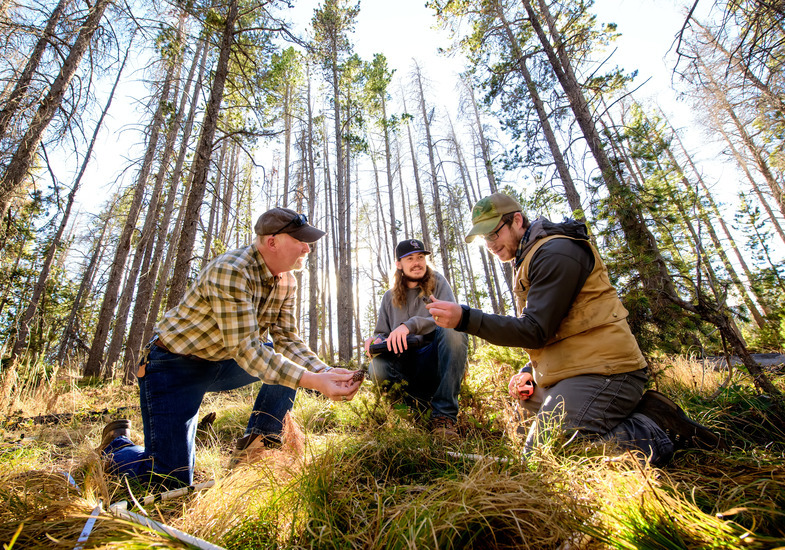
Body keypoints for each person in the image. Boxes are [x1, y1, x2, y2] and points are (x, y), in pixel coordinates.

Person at [426, 193, 721, 464]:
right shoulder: (528, 258)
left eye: (494, 233)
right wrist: (530, 371)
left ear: (517, 220)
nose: (490, 244)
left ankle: (653, 429)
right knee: (527, 421)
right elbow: (560, 329)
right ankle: (638, 415)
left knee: (547, 455)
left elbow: (535, 330)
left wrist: (465, 318)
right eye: (484, 239)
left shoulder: (555, 252)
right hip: (578, 370)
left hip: (608, 371)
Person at [98, 207, 362, 487]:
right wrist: (314, 381)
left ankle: (256, 447)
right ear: (272, 242)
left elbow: (287, 340)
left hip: (224, 363)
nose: (307, 249)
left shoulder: (287, 281)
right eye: (300, 240)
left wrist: (325, 371)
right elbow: (249, 351)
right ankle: (117, 447)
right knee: (169, 482)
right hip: (173, 368)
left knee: (280, 357)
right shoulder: (231, 271)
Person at [364, 238, 468, 439]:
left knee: (454, 331)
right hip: (401, 363)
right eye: (410, 258)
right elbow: (381, 332)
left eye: (420, 257)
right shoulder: (389, 297)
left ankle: (443, 417)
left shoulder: (438, 283)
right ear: (398, 264)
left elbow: (450, 316)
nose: (417, 262)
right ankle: (405, 414)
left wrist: (410, 326)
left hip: (433, 359)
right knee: (376, 367)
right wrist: (374, 340)